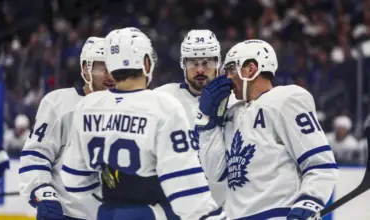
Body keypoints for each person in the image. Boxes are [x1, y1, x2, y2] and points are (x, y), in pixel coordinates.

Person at [67, 27, 226, 220]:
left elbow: (74, 179)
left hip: (107, 212)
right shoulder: (163, 104)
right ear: (146, 62)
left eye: (207, 62)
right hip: (152, 211)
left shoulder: (87, 106)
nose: (200, 69)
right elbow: (184, 186)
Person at [195, 39, 339, 220]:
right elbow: (214, 172)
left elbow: (320, 163)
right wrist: (209, 125)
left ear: (251, 68)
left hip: (278, 214)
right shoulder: (231, 113)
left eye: (231, 69)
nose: (228, 78)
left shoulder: (286, 99)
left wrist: (309, 202)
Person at [18, 37, 114, 220]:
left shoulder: (130, 109)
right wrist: (43, 194)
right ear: (86, 68)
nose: (110, 75)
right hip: (67, 214)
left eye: (115, 69)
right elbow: (36, 156)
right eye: (103, 67)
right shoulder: (60, 104)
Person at [155, 29, 236, 207]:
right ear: (183, 63)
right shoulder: (161, 99)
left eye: (207, 62)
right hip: (173, 207)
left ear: (218, 63)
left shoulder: (235, 102)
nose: (200, 69)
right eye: (193, 62)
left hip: (224, 206)